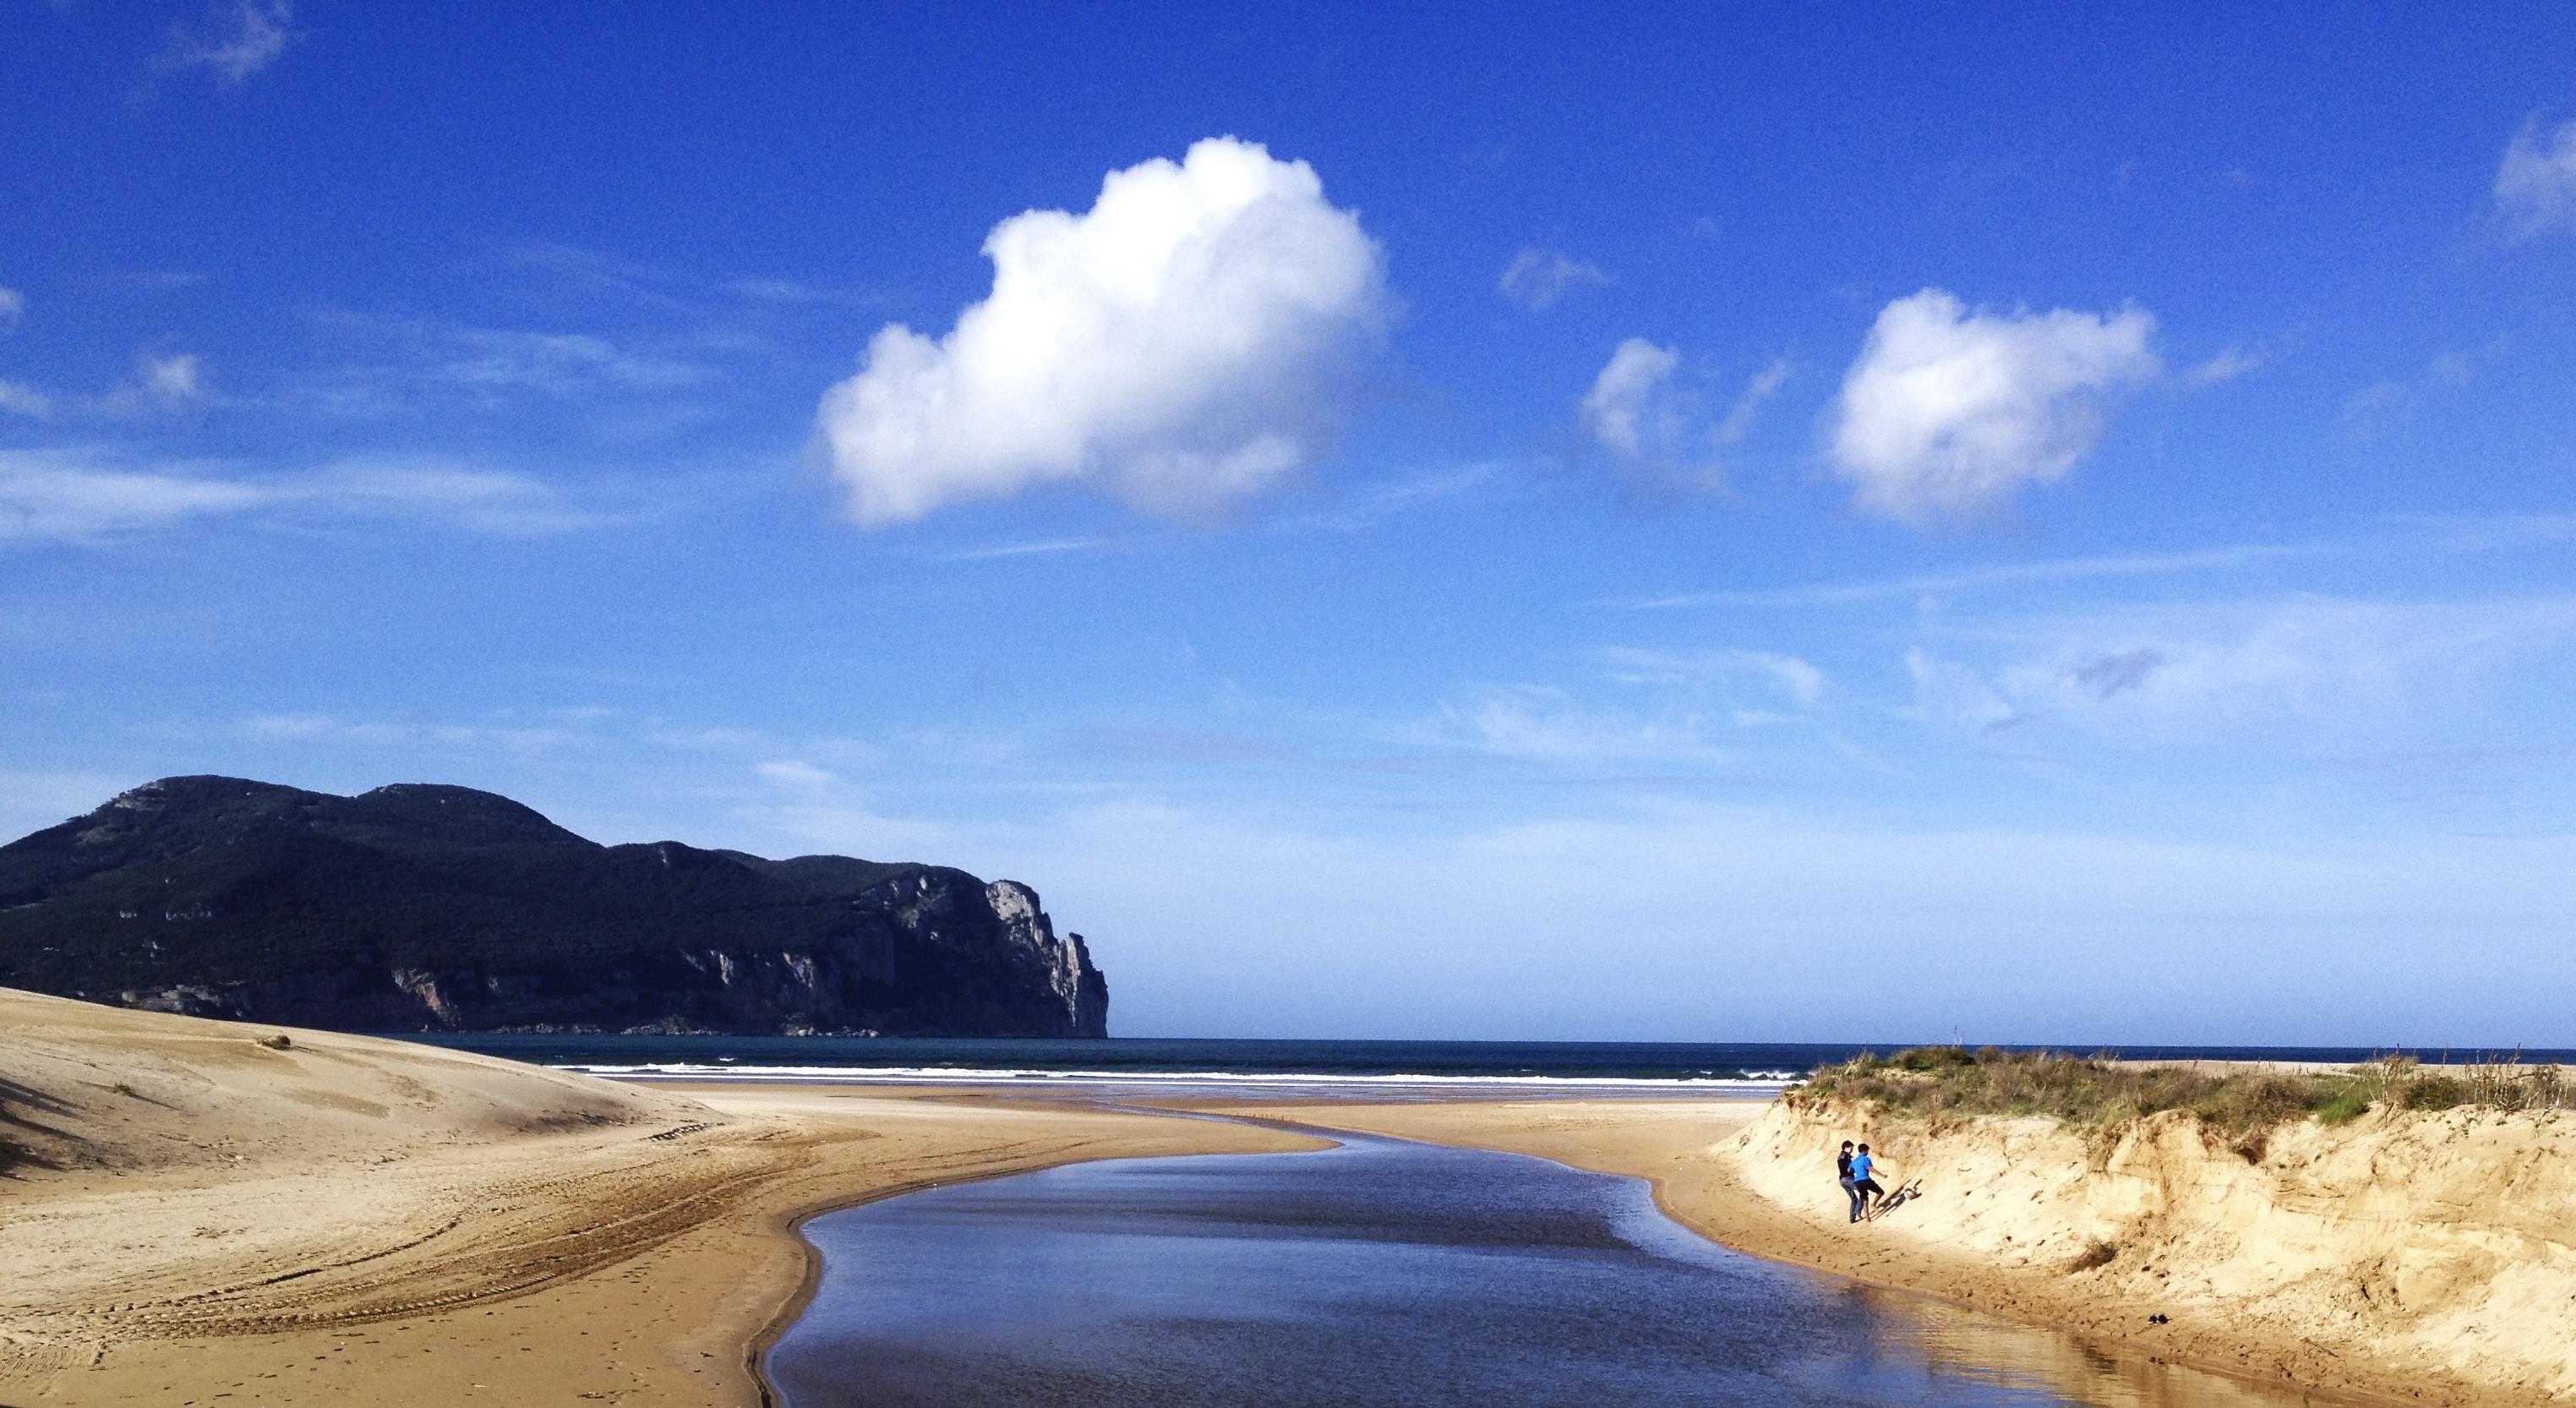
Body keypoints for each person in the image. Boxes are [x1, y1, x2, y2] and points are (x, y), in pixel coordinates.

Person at [1850, 1143, 1887, 1220]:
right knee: (1880, 1192)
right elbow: (1871, 1169)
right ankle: (1873, 1204)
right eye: (1867, 1151)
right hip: (1865, 1179)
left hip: (1857, 1182)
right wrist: (1882, 1175)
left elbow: (1849, 1170)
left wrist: (1857, 1170)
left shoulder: (1854, 1161)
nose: (1867, 1152)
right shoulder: (1866, 1158)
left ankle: (1867, 1218)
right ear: (1864, 1151)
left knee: (1865, 1199)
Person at [1835, 1140, 1863, 1224]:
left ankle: (1852, 1218)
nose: (1852, 1150)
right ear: (1846, 1148)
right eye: (1851, 1148)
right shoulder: (1847, 1156)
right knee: (1863, 1192)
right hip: (1848, 1178)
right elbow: (1850, 1169)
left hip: (1842, 1180)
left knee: (1854, 1199)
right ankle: (1858, 1210)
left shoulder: (1840, 1156)